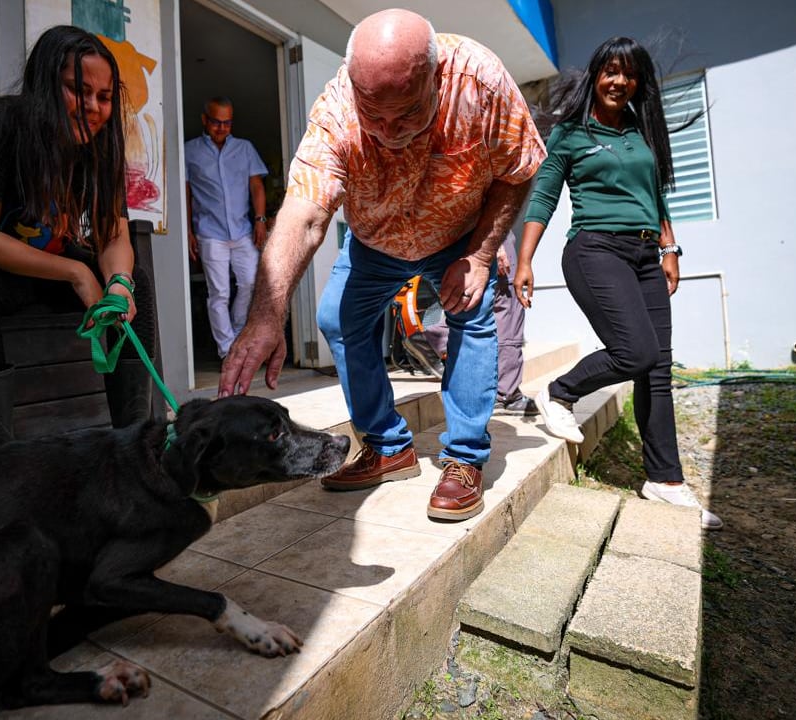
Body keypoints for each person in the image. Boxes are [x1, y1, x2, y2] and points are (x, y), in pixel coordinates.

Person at [218, 9, 545, 522]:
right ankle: (389, 446)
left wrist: (482, 254)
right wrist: (266, 314)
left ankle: (464, 459)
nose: (390, 130)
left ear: (436, 79)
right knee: (338, 319)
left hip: (456, 235)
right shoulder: (336, 111)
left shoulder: (481, 81)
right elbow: (303, 217)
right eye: (375, 113)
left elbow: (519, 167)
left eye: (408, 113)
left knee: (472, 317)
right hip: (374, 242)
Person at [513, 37, 722, 530]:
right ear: (595, 76)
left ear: (638, 82)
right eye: (610, 71)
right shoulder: (570, 134)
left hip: (646, 254)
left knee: (658, 370)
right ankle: (561, 392)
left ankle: (665, 481)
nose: (618, 81)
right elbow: (542, 197)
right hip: (594, 250)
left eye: (628, 74)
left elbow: (657, 195)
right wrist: (525, 260)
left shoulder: (641, 132)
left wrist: (668, 249)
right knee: (637, 353)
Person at [0, 25, 156, 457]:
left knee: (135, 281)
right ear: (45, 86)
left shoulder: (101, 147)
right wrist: (74, 272)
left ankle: (137, 445)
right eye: (77, 90)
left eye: (104, 97)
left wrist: (119, 284)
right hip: (7, 274)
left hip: (53, 267)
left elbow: (114, 235)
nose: (92, 107)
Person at [184, 97, 269, 360]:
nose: (222, 127)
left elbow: (256, 187)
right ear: (204, 120)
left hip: (243, 230)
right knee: (218, 293)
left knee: (251, 283)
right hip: (210, 233)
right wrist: (187, 231)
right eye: (216, 122)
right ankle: (227, 351)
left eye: (227, 122)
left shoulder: (245, 149)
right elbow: (186, 194)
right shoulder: (189, 151)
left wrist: (261, 220)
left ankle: (237, 336)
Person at [424, 232, 538, 416]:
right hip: (490, 232)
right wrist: (498, 243)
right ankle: (505, 394)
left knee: (477, 301)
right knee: (506, 307)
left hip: (467, 231)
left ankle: (432, 337)